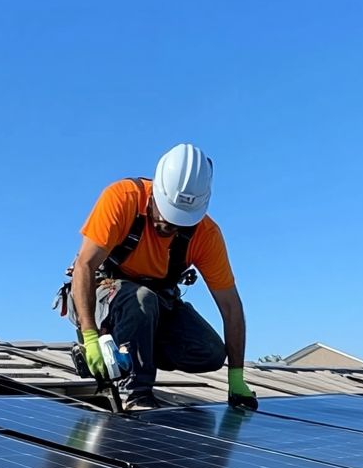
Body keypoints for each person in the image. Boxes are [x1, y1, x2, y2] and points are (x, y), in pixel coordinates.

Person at [67, 143, 257, 412]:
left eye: (180, 222)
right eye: (165, 216)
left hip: (156, 305)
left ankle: (128, 353)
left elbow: (231, 307)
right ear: (155, 191)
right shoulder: (122, 198)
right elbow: (84, 267)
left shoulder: (206, 234)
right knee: (141, 300)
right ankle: (136, 395)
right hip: (100, 294)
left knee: (210, 352)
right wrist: (90, 337)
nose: (168, 227)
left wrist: (236, 378)